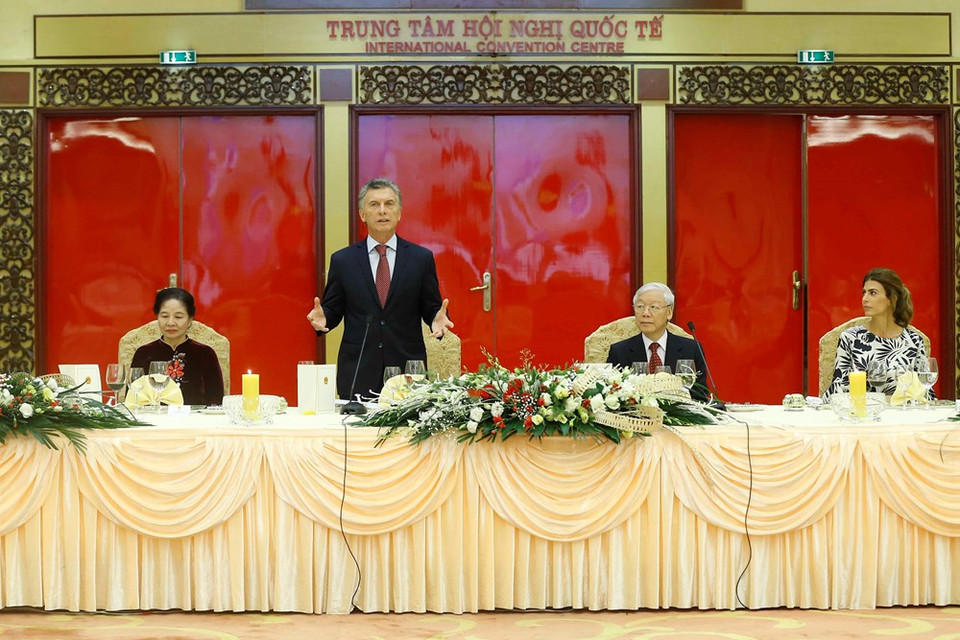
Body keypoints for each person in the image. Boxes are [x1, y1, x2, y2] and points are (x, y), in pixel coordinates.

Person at [307, 177, 453, 400]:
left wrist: (437, 319)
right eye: (374, 205)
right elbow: (332, 311)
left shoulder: (420, 259)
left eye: (389, 204)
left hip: (407, 373)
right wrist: (324, 319)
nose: (382, 211)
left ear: (399, 212)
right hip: (358, 371)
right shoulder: (343, 260)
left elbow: (432, 306)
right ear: (363, 214)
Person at [825, 267, 930, 398]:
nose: (864, 299)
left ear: (892, 299)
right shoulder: (850, 338)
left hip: (904, 415)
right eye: (864, 293)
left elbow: (926, 393)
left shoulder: (914, 341)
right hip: (862, 414)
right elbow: (837, 391)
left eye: (872, 293)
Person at [606, 282, 709, 401]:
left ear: (669, 312)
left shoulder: (691, 349)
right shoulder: (619, 351)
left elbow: (700, 396)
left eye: (654, 307)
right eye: (640, 306)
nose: (645, 313)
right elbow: (613, 394)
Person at [131, 287, 225, 405]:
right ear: (157, 317)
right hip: (154, 420)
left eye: (178, 317)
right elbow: (132, 398)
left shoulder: (205, 353)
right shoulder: (144, 353)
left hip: (196, 421)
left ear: (190, 319)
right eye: (164, 316)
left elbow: (216, 401)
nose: (170, 323)